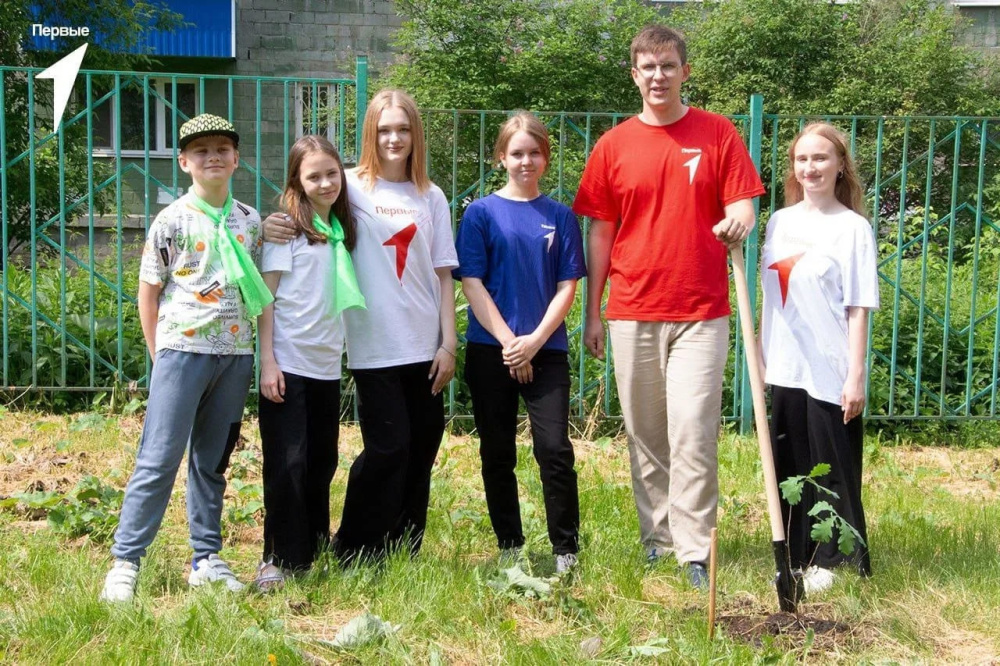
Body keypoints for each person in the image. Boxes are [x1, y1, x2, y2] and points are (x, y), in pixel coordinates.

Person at [572, 24, 766, 589]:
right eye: (647, 67)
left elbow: (743, 206)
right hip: (632, 308)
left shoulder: (717, 133)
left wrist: (740, 222)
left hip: (702, 310)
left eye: (668, 65)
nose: (658, 76)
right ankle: (657, 540)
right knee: (646, 433)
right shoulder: (613, 145)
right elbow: (600, 235)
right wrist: (592, 312)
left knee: (693, 429)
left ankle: (693, 551)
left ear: (685, 71)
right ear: (634, 75)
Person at [263, 89, 458, 563]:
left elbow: (443, 273)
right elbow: (305, 197)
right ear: (371, 133)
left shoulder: (431, 196)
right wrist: (270, 225)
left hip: (425, 344)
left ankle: (403, 548)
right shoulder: (349, 185)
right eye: (385, 129)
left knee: (422, 449)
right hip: (373, 345)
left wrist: (449, 342)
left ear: (416, 134)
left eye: (404, 128)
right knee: (388, 448)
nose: (395, 138)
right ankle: (355, 546)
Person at [100, 114, 270, 602]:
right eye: (200, 151)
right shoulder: (171, 219)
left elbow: (258, 287)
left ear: (236, 158)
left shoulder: (248, 220)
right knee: (159, 457)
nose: (212, 156)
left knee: (212, 459)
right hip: (182, 351)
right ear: (183, 162)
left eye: (222, 148)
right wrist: (160, 355)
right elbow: (148, 292)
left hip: (234, 356)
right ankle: (126, 560)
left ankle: (206, 557)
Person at [454, 112, 586, 574]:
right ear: (501, 157)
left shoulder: (561, 217)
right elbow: (471, 281)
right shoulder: (480, 213)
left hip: (546, 349)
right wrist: (511, 342)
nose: (525, 161)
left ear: (545, 159)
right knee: (497, 450)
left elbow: (568, 287)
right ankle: (509, 543)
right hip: (492, 348)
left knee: (553, 447)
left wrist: (533, 343)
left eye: (534, 153)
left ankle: (566, 549)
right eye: (516, 153)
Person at [760, 122, 878, 594]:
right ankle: (797, 554)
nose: (811, 167)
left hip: (829, 367)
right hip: (784, 364)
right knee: (790, 459)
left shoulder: (853, 228)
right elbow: (769, 295)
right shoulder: (779, 222)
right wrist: (764, 356)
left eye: (821, 158)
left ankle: (834, 558)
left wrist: (856, 374)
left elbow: (858, 308)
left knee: (831, 462)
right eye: (802, 159)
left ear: (840, 165)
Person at [254, 135, 366, 590]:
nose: (325, 183)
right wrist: (268, 362)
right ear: (297, 183)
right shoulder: (288, 230)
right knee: (288, 463)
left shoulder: (341, 231)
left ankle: (312, 547)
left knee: (322, 460)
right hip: (289, 365)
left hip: (325, 367)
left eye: (331, 174)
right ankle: (276, 559)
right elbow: (266, 299)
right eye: (313, 176)